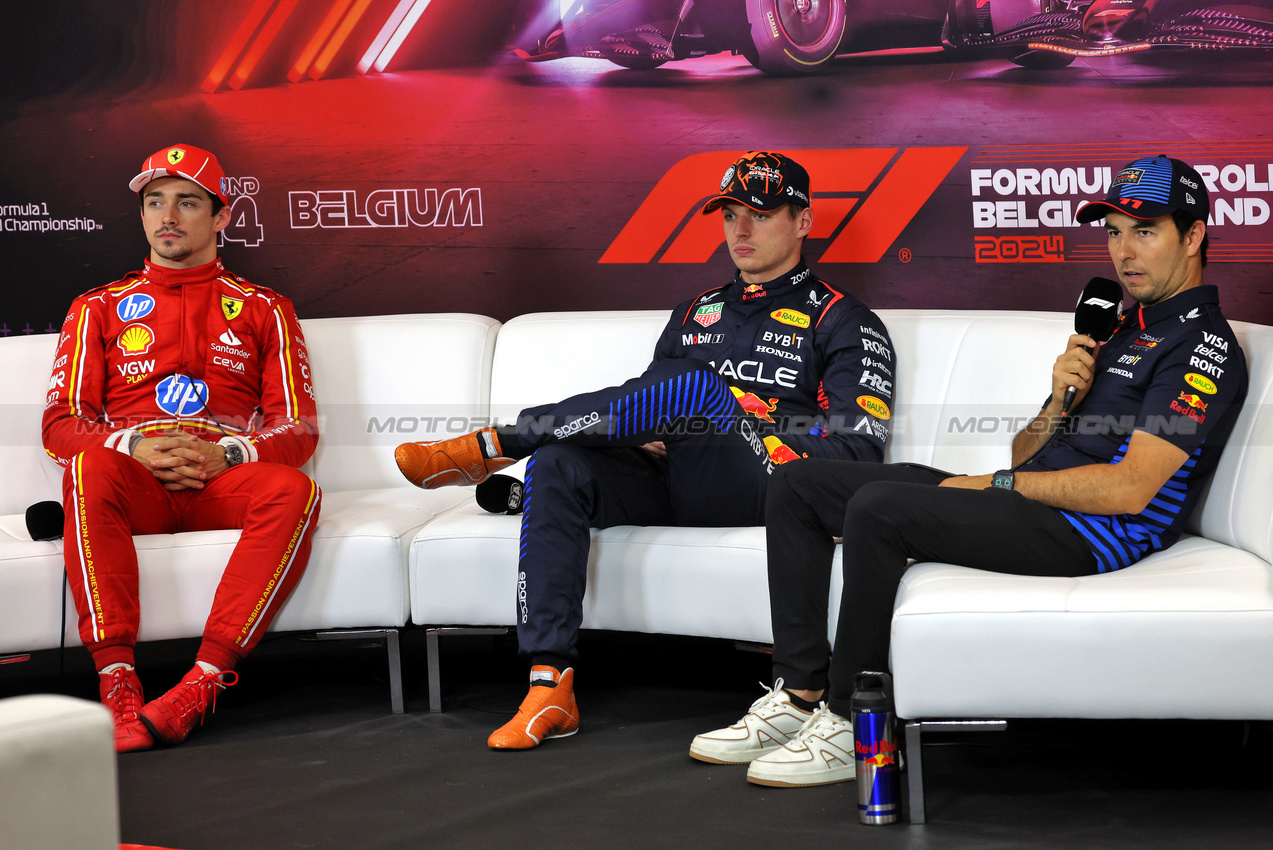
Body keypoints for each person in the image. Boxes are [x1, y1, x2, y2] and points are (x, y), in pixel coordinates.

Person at [692, 154, 1250, 788]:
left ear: (1195, 234)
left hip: (1090, 535)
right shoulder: (1118, 331)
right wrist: (1060, 395)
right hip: (1029, 501)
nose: (1123, 252)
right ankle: (798, 696)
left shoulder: (1203, 344)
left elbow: (1130, 490)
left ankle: (853, 725)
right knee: (797, 483)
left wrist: (998, 485)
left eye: (1144, 231)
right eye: (1114, 232)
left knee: (879, 507)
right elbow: (1023, 455)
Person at [395, 152, 896, 749]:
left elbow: (859, 451)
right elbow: (642, 403)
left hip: (770, 484)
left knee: (698, 388)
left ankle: (498, 443)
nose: (740, 230)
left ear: (803, 220)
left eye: (759, 215)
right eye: (730, 214)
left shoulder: (845, 320)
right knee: (561, 465)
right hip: (677, 474)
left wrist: (747, 421)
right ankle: (548, 683)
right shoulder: (693, 312)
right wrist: (661, 426)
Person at [42, 144, 321, 753]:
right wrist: (133, 445)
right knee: (89, 467)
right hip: (135, 482)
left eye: (187, 202)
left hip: (222, 479)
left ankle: (204, 682)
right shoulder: (96, 308)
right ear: (142, 216)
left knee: (295, 488)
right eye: (154, 202)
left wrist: (234, 456)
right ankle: (118, 682)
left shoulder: (265, 308)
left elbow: (298, 428)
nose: (167, 216)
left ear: (221, 218)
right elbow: (61, 424)